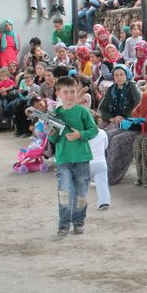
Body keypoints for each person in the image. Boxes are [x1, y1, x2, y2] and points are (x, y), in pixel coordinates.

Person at [49, 76, 99, 237]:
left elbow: (94, 130)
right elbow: (53, 138)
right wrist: (52, 133)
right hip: (63, 159)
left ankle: (78, 223)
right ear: (58, 93)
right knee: (64, 192)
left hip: (82, 158)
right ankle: (63, 224)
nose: (69, 95)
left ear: (77, 91)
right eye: (65, 92)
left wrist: (80, 134)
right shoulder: (55, 114)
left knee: (81, 193)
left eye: (72, 91)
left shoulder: (82, 111)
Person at [88, 127, 110, 210]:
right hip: (100, 161)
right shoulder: (102, 132)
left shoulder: (81, 134)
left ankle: (80, 203)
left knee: (82, 185)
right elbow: (105, 146)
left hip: (86, 162)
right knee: (102, 184)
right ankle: (104, 202)